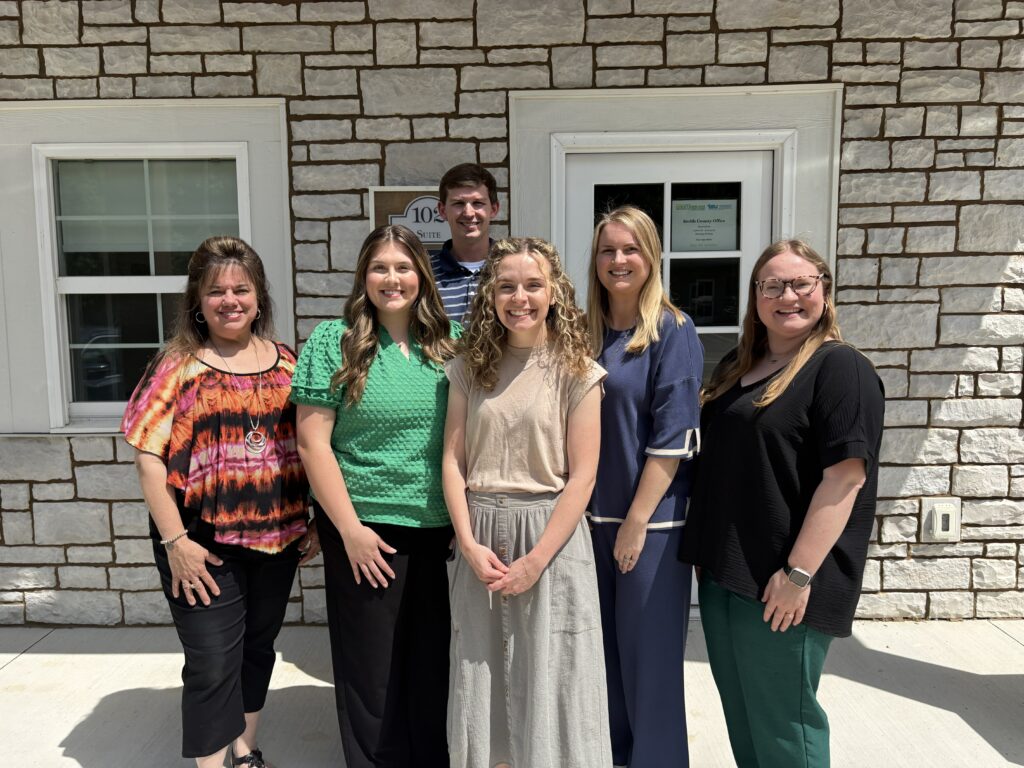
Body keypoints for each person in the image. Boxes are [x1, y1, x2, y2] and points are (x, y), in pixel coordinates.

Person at [679, 240, 885, 768]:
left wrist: (797, 575)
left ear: (825, 290)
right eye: (772, 285)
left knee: (785, 730)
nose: (787, 296)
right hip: (729, 574)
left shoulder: (840, 369)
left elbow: (843, 480)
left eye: (801, 284)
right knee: (746, 719)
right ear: (755, 296)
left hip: (784, 583)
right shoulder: (738, 366)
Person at [122, 236, 316, 768]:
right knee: (211, 661)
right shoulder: (177, 366)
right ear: (197, 301)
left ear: (259, 296)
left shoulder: (288, 363)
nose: (230, 300)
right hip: (199, 543)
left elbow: (310, 447)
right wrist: (175, 542)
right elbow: (148, 457)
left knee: (258, 646)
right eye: (216, 292)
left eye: (241, 289)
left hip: (277, 539)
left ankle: (246, 751)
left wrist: (314, 519)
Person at [290, 224, 459, 768]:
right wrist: (349, 531)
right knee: (373, 675)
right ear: (364, 275)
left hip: (437, 532)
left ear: (422, 276)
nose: (393, 278)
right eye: (381, 267)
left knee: (430, 668)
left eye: (404, 267)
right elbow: (313, 444)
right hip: (365, 531)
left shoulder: (447, 342)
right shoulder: (333, 341)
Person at [442, 237, 612, 768]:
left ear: (554, 292)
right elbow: (452, 461)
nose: (521, 297)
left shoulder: (577, 371)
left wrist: (536, 560)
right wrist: (467, 543)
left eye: (534, 285)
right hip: (481, 538)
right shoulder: (468, 369)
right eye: (507, 285)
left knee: (552, 677)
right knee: (484, 677)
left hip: (550, 539)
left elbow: (582, 478)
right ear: (490, 294)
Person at [586, 206, 703, 768]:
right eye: (608, 250)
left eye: (630, 249)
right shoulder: (581, 332)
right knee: (600, 667)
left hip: (649, 528)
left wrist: (634, 523)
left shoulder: (672, 331)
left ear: (651, 256)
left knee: (648, 671)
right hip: (586, 525)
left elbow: (674, 438)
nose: (618, 260)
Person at [431, 162, 500, 323]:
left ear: (494, 209)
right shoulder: (424, 274)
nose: (468, 213)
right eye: (458, 203)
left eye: (478, 203)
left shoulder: (513, 267)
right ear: (442, 210)